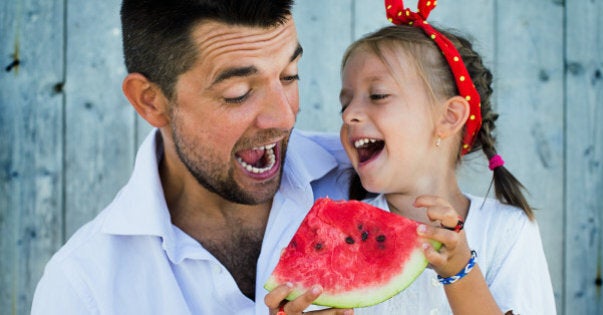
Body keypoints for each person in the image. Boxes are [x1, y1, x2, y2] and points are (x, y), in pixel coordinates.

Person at [31, 1, 354, 314]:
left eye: (289, 75)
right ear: (151, 102)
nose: (284, 118)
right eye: (238, 92)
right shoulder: (84, 289)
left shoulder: (375, 180)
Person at [333, 0, 557, 314]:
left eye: (378, 95)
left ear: (449, 117)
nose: (350, 115)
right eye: (344, 104)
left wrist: (460, 271)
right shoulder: (342, 233)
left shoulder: (506, 230)